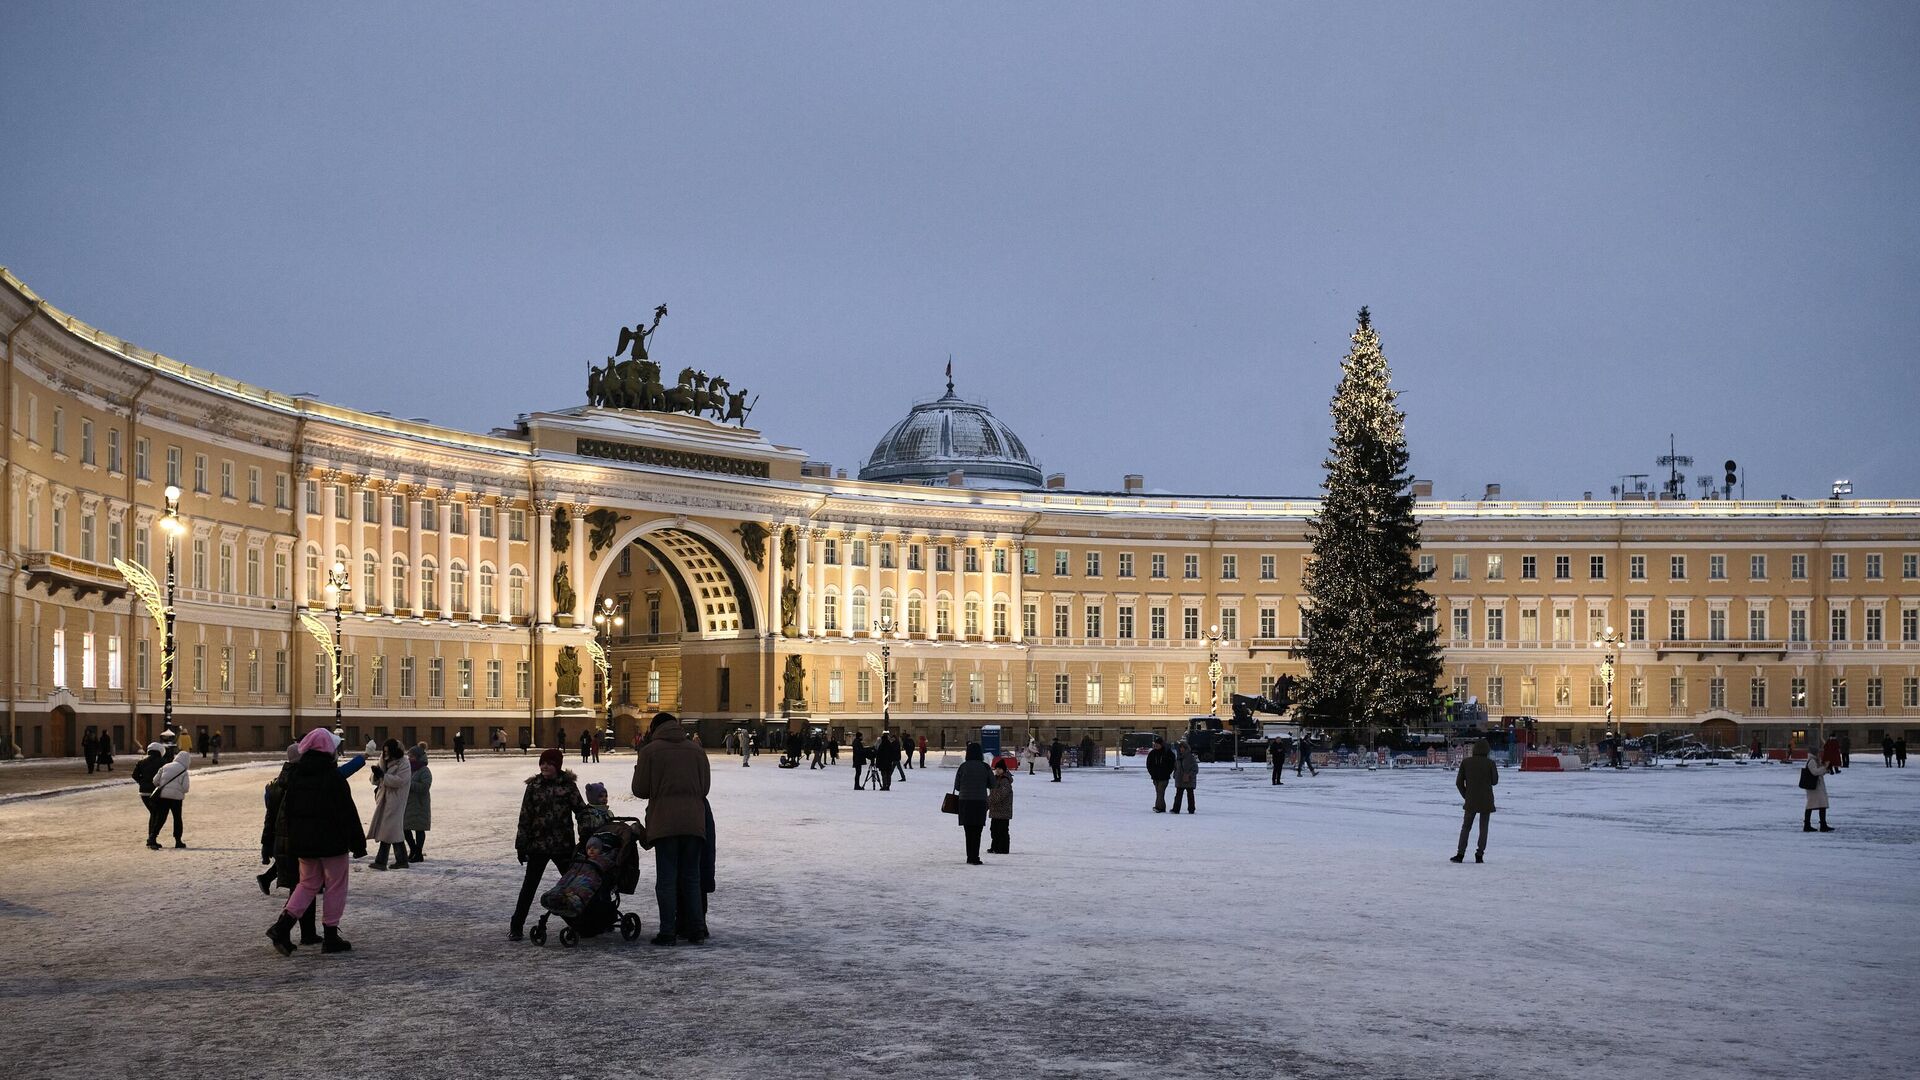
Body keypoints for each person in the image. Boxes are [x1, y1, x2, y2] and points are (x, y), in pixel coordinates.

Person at [266, 728, 367, 955]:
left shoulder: (296, 776)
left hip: (304, 843)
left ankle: (282, 926)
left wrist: (292, 842)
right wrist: (358, 844)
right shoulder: (333, 778)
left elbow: (287, 813)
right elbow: (347, 813)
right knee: (336, 885)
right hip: (332, 843)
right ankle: (330, 937)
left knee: (307, 884)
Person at [631, 712, 712, 945]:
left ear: (655, 728)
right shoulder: (697, 750)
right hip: (694, 823)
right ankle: (696, 929)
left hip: (665, 824)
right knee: (691, 878)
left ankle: (668, 931)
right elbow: (704, 788)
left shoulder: (650, 751)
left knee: (667, 880)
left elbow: (640, 789)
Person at [510, 748, 586, 941]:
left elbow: (581, 811)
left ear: (557, 766)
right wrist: (521, 845)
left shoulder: (568, 785)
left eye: (549, 763)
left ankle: (586, 923)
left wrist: (587, 834)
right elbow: (525, 817)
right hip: (538, 846)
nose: (545, 766)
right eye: (542, 763)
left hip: (563, 845)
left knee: (573, 887)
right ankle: (516, 926)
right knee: (529, 887)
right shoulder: (534, 786)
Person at [259, 743, 322, 947]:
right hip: (297, 841)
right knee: (303, 889)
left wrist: (266, 845)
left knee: (302, 887)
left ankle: (307, 933)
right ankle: (281, 931)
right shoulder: (299, 781)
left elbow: (269, 818)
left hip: (282, 843)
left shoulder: (277, 783)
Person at [1451, 739, 1499, 862]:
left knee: (1466, 827)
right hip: (1486, 800)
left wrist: (1466, 795)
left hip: (1471, 799)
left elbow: (1458, 783)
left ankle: (1460, 854)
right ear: (1487, 751)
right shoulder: (1490, 763)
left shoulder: (1466, 763)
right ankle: (1479, 855)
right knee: (1483, 828)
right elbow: (1494, 781)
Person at [367, 739, 412, 870]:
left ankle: (381, 861)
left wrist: (383, 776)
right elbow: (374, 780)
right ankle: (401, 860)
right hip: (383, 798)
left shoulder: (404, 763)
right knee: (391, 830)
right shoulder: (383, 759)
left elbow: (400, 781)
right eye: (384, 751)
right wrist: (376, 775)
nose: (385, 753)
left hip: (396, 799)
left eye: (388, 751)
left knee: (389, 829)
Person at [953, 742, 993, 864]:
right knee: (977, 831)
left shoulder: (963, 767)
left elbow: (957, 786)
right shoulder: (985, 767)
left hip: (965, 802)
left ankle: (969, 856)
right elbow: (993, 784)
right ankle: (975, 857)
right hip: (980, 802)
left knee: (968, 830)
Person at [146, 749, 191, 849]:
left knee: (161, 817)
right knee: (177, 818)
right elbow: (185, 788)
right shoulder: (183, 770)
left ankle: (152, 837)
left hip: (163, 797)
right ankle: (178, 841)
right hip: (176, 799)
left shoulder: (165, 766)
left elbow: (155, 781)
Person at [404, 744, 432, 862]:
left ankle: (418, 853)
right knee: (405, 828)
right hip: (408, 804)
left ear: (419, 757)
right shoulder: (408, 769)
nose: (410, 758)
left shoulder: (424, 770)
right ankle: (413, 849)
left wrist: (409, 784)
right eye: (409, 756)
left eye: (412, 756)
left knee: (419, 829)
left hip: (420, 804)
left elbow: (425, 787)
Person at [1803, 749, 1835, 832]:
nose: (1819, 754)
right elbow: (1815, 772)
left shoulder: (1816, 761)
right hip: (1813, 786)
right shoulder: (1812, 761)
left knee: (1822, 804)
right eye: (1818, 753)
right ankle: (1807, 825)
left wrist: (1826, 768)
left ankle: (1822, 824)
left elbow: (1820, 771)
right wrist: (1824, 768)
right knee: (1811, 805)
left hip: (1817, 786)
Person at [133, 742, 165, 824]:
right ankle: (152, 835)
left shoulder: (141, 762)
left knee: (153, 813)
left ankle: (152, 835)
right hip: (156, 791)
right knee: (156, 813)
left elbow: (134, 775)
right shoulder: (163, 762)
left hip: (144, 792)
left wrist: (142, 782)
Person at [987, 760, 1014, 855]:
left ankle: (1003, 848)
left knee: (1002, 830)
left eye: (999, 769)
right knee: (994, 829)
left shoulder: (1005, 780)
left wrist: (990, 800)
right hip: (995, 810)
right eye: (996, 769)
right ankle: (995, 846)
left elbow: (1001, 794)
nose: (997, 770)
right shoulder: (995, 779)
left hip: (1003, 810)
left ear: (1004, 769)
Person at [1145, 736, 1175, 812]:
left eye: (1157, 744)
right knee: (1159, 792)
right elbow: (1149, 764)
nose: (1156, 746)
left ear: (1161, 744)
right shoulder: (1152, 753)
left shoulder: (1167, 753)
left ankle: (1159, 807)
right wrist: (1152, 773)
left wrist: (1167, 772)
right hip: (1155, 777)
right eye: (1155, 744)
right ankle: (1161, 807)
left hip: (1164, 777)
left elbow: (1172, 764)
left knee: (1160, 792)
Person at [1172, 740, 1198, 814]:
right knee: (1178, 795)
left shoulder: (1190, 757)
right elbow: (1176, 767)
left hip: (1188, 780)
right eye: (1180, 747)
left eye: (1183, 747)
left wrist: (1189, 775)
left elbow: (1195, 769)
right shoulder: (1178, 757)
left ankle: (1191, 809)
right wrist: (1175, 774)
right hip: (1180, 779)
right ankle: (1176, 809)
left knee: (1190, 795)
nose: (1181, 749)